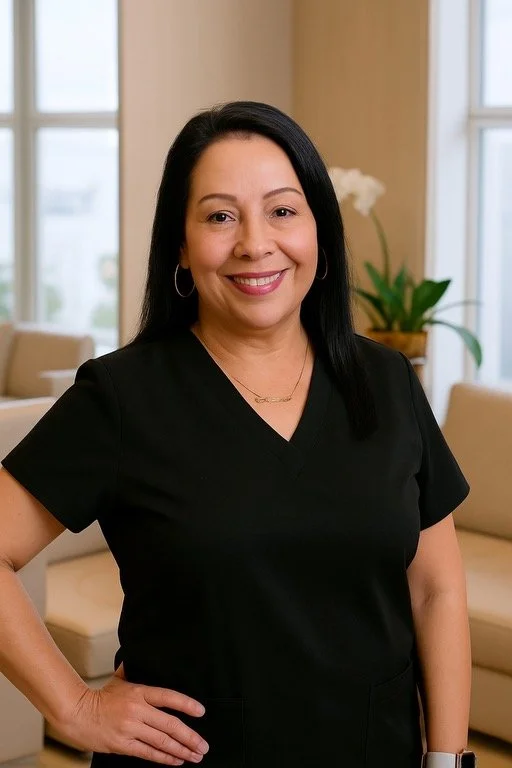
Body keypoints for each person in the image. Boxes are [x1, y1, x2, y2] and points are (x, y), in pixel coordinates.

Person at [0, 101, 475, 768]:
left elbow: (436, 592)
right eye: (220, 216)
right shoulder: (123, 397)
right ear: (182, 247)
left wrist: (448, 758)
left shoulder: (388, 383)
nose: (255, 243)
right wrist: (72, 706)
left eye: (283, 210)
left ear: (320, 232)